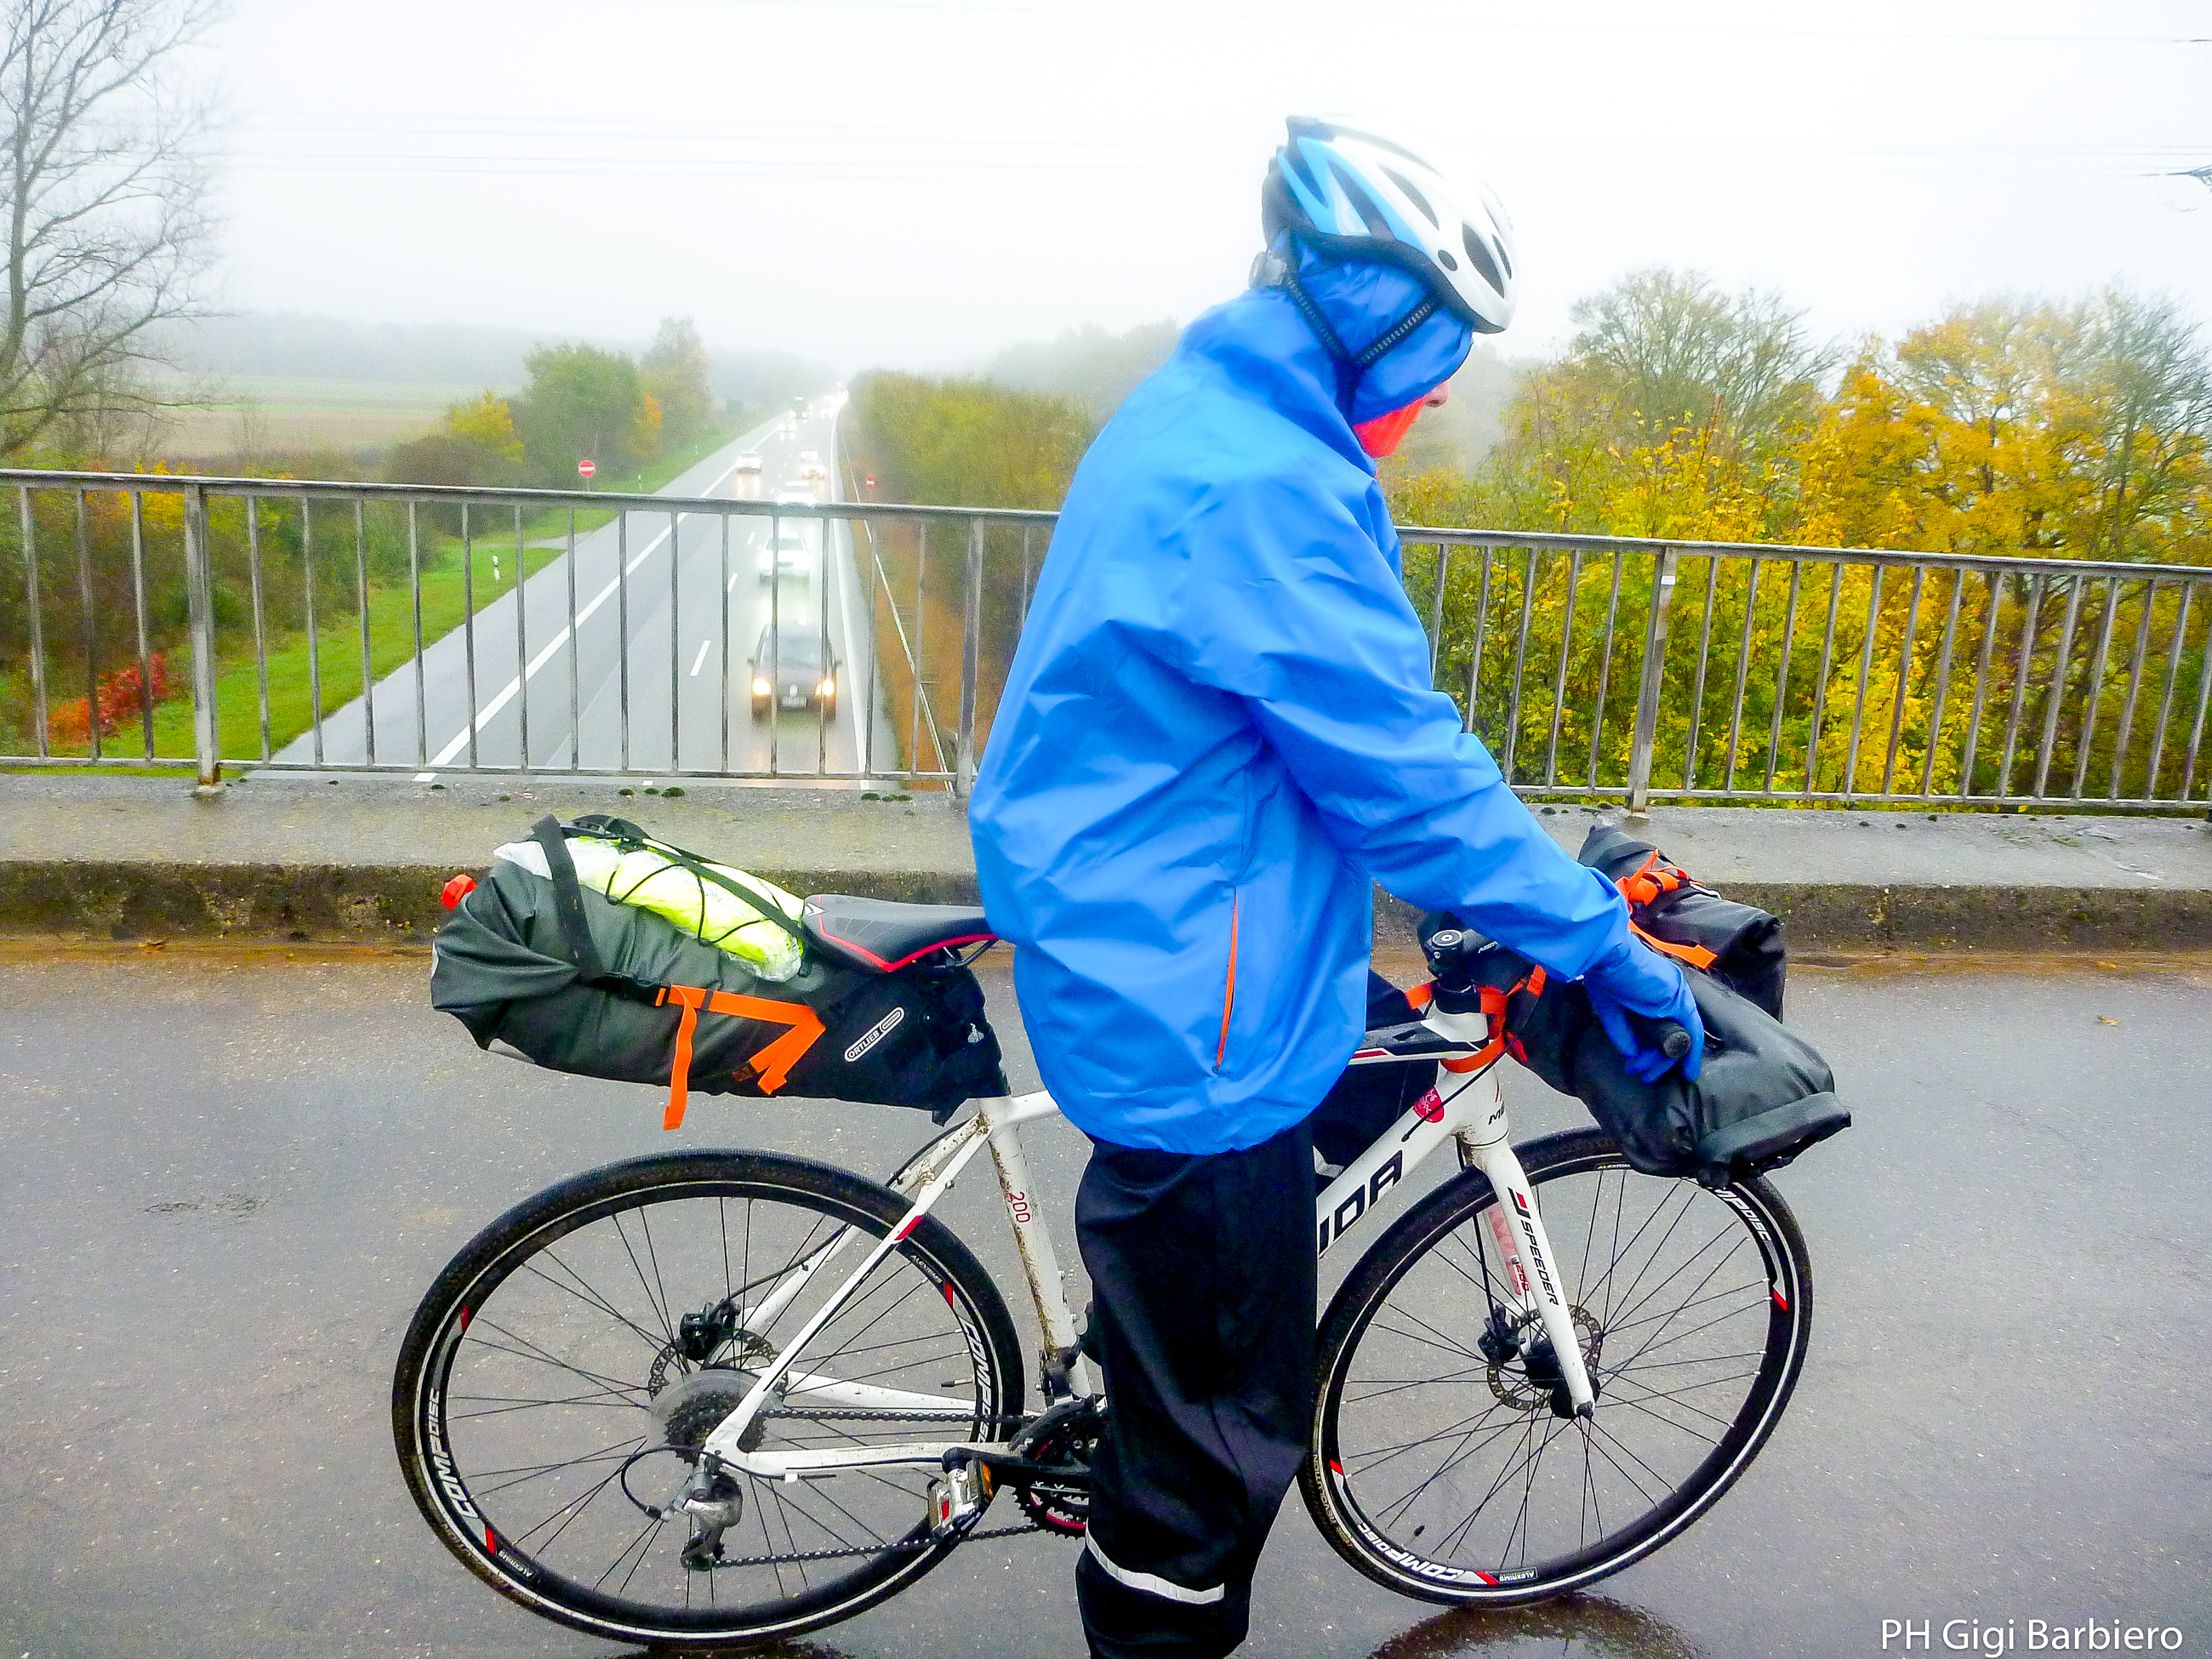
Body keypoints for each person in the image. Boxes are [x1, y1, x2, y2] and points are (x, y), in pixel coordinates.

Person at [968, 116, 1705, 1659]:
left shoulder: (1209, 413)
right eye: (1438, 348)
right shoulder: (1267, 487)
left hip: (1168, 919)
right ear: (1376, 317)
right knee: (1207, 1467)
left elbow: (1304, 729)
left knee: (1366, 1086)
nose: (1439, 390)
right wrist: (1596, 941)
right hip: (1197, 1010)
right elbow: (1404, 769)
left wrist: (1462, 886)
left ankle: (1154, 1360)